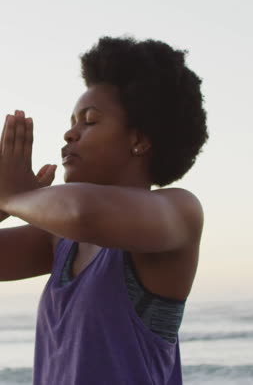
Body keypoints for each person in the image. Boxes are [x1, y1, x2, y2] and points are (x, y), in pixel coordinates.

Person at [0, 36, 208, 384]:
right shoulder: (61, 240)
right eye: (72, 121)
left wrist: (13, 197)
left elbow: (83, 212)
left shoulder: (180, 212)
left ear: (139, 140)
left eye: (90, 121)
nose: (70, 133)